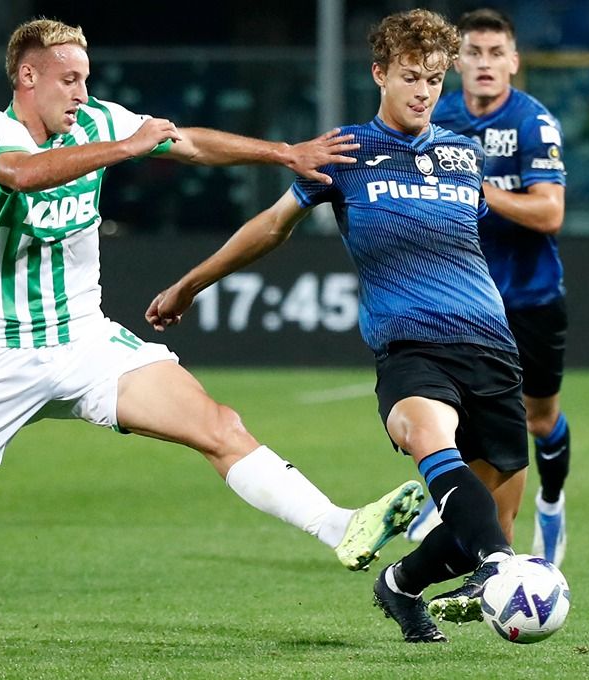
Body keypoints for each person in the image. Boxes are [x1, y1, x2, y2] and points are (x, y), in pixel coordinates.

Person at [0, 17, 425, 650]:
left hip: (86, 342)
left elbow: (181, 142)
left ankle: (341, 526)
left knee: (217, 423)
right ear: (27, 77)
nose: (82, 93)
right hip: (2, 357)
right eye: (69, 79)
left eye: (86, 78)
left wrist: (280, 152)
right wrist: (126, 148)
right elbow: (24, 176)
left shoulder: (97, 122)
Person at [145, 9, 525, 643]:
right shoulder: (345, 152)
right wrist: (190, 284)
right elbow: (271, 227)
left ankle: (402, 585)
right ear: (379, 74)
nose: (424, 91)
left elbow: (467, 245)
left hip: (491, 345)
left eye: (434, 78)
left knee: (474, 516)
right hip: (410, 349)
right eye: (410, 76)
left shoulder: (464, 154)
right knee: (431, 440)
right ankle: (501, 568)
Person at [411, 8, 570, 567]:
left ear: (513, 62)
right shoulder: (438, 117)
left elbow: (550, 212)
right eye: (474, 53)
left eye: (495, 54)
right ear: (457, 63)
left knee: (539, 419)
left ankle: (551, 505)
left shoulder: (532, 122)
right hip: (463, 302)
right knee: (452, 414)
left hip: (528, 296)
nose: (484, 64)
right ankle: (458, 508)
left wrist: (477, 187)